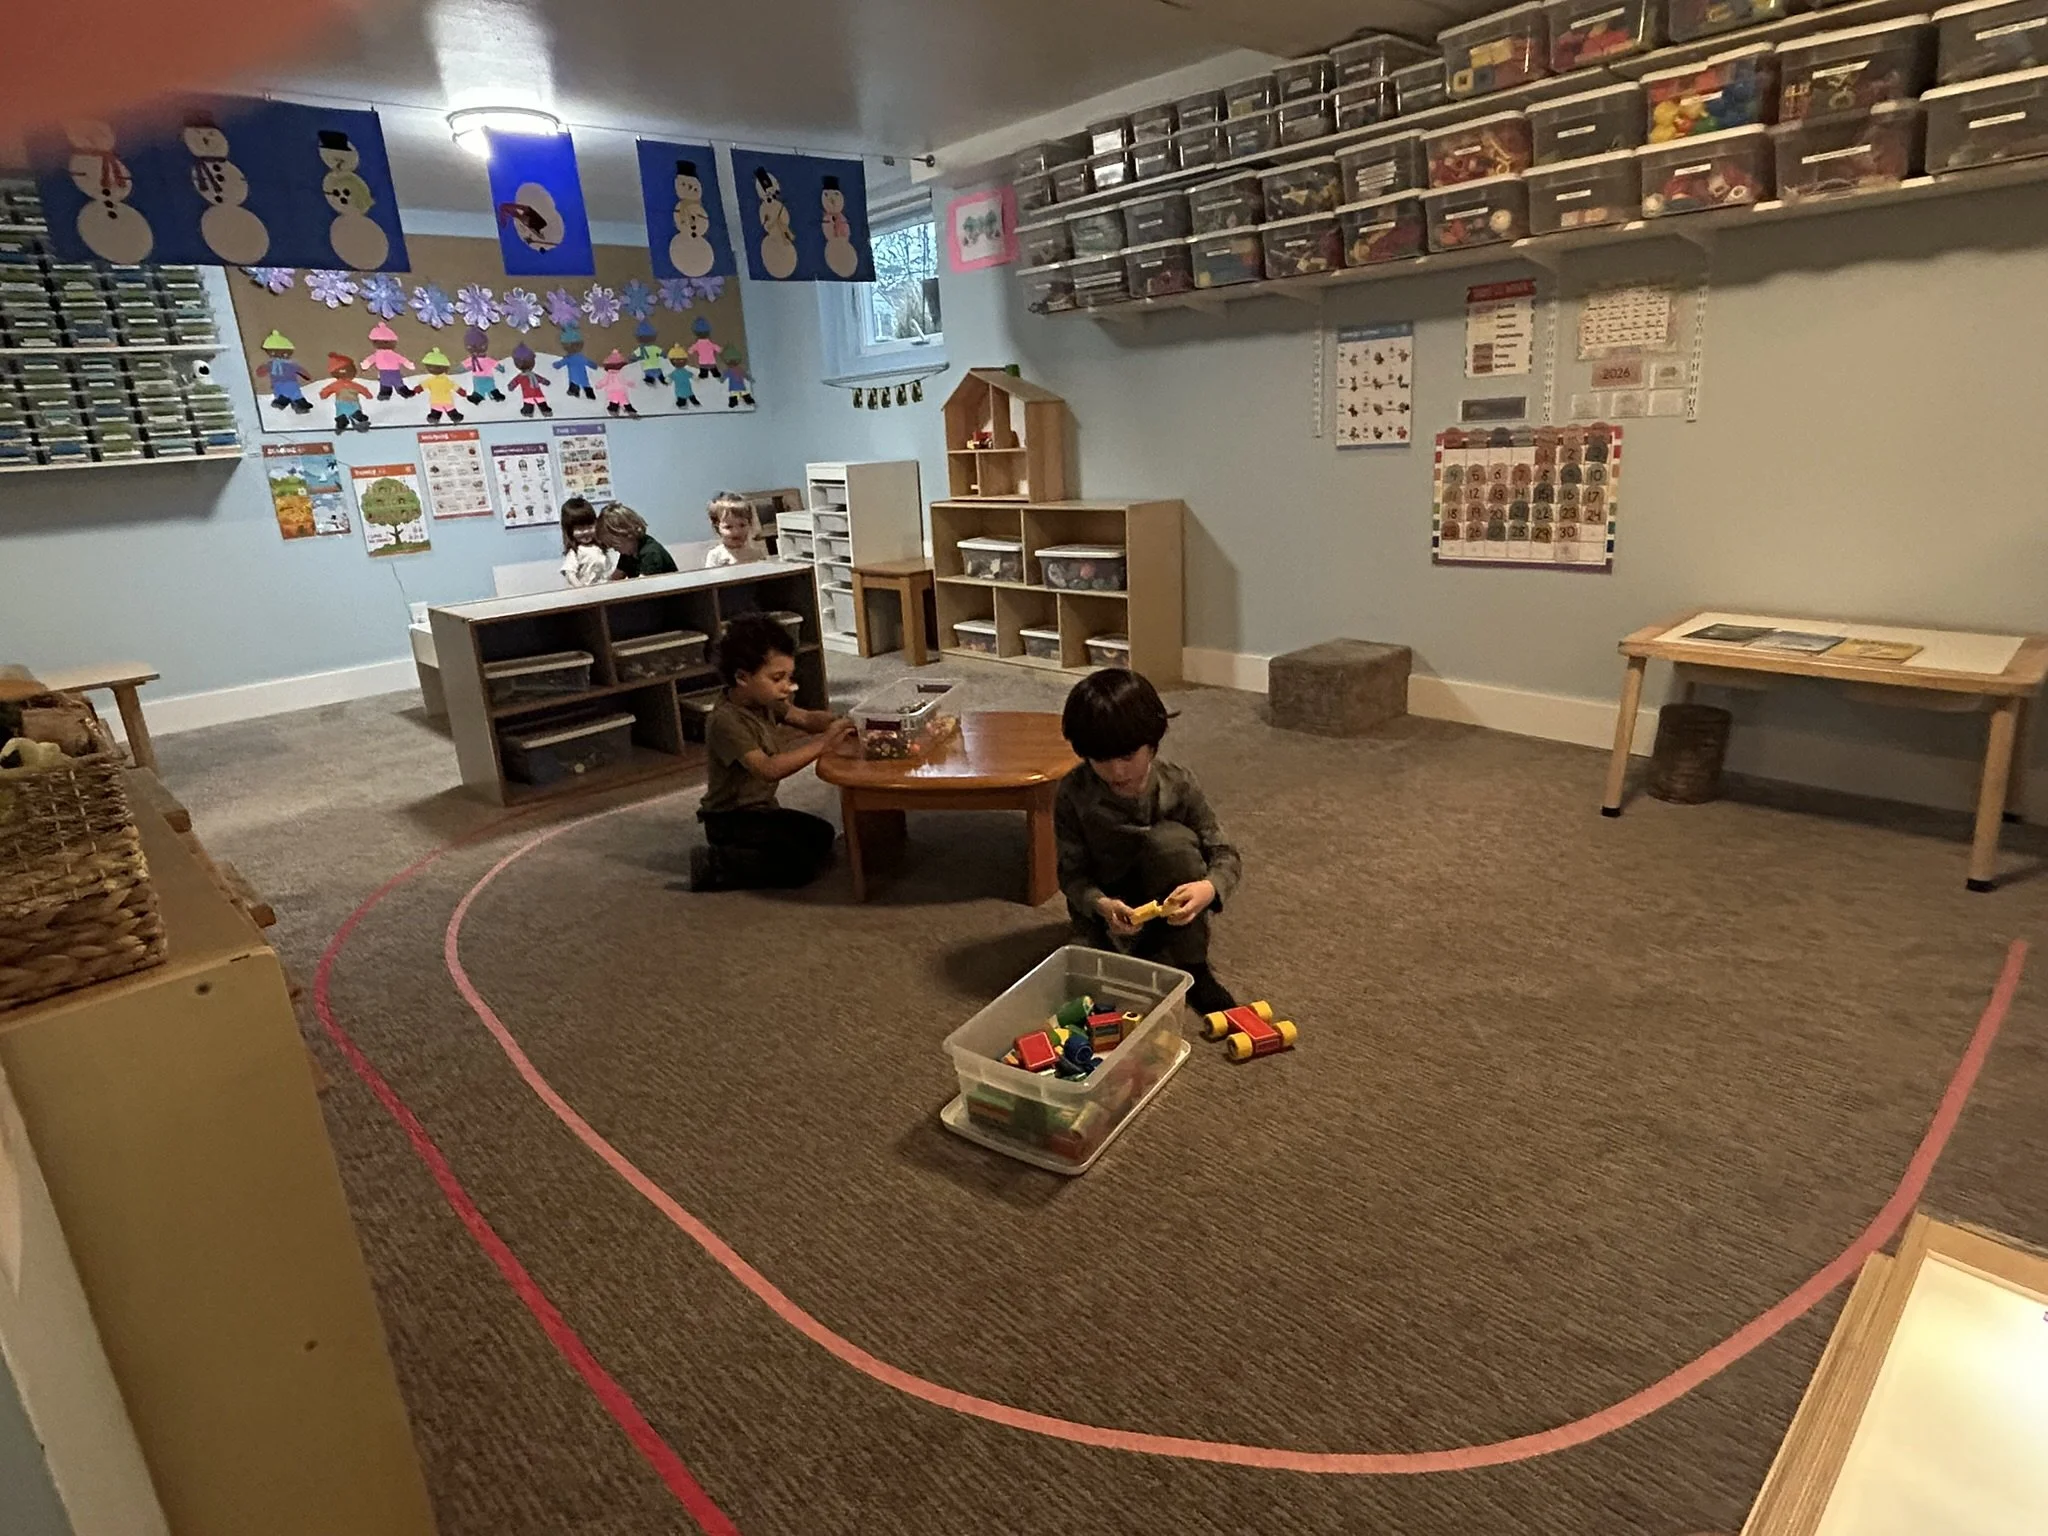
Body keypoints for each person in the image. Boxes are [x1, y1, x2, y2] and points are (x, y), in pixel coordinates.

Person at [1055, 668, 1243, 1014]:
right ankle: (1134, 951)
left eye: (1128, 756)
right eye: (1101, 760)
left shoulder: (1179, 785)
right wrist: (1101, 905)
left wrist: (1208, 889)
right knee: (1082, 994)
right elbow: (1071, 875)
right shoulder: (1072, 795)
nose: (1117, 772)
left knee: (1170, 843)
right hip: (1107, 909)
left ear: (1153, 743)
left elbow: (1224, 852)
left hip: (1167, 897)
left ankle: (1193, 967)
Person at [691, 613, 855, 891]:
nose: (786, 686)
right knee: (799, 868)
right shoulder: (726, 721)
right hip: (730, 819)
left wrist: (838, 720)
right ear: (742, 678)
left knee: (822, 835)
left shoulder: (765, 700)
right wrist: (824, 743)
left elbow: (803, 718)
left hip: (762, 811)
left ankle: (746, 857)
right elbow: (768, 769)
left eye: (789, 677)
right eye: (777, 677)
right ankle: (716, 862)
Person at [595, 503, 678, 579]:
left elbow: (642, 586)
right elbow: (615, 578)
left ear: (629, 534)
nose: (615, 550)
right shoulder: (628, 553)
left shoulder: (650, 553)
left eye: (615, 545)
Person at [702, 490, 767, 568]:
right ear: (717, 527)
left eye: (742, 525)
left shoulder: (756, 554)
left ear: (749, 524)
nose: (736, 532)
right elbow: (711, 579)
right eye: (728, 527)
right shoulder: (715, 556)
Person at [558, 497, 608, 587]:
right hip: (585, 592)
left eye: (590, 527)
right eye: (580, 529)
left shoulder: (601, 547)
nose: (585, 532)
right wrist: (581, 589)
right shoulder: (576, 551)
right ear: (570, 531)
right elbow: (570, 574)